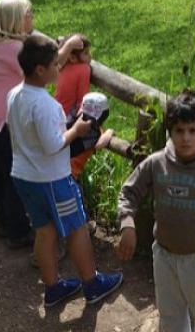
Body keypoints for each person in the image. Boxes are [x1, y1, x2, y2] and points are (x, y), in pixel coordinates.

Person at [7, 35, 124, 306]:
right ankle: (92, 284)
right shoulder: (45, 105)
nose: (58, 68)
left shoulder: (15, 94)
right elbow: (54, 145)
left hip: (24, 175)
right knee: (76, 228)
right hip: (51, 178)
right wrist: (77, 130)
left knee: (45, 232)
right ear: (40, 70)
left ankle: (53, 288)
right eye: (54, 65)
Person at [117, 90, 195, 332]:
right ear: (169, 132)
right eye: (179, 131)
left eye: (192, 131)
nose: (185, 138)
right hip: (164, 256)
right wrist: (127, 224)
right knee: (170, 315)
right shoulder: (156, 162)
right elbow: (128, 192)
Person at [0, 0, 84, 247]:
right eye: (27, 13)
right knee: (12, 175)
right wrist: (69, 46)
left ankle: (4, 222)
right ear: (14, 21)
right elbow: (46, 65)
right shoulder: (13, 48)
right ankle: (18, 231)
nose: (32, 17)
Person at [54, 34, 114, 180]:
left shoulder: (62, 67)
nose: (90, 56)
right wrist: (98, 128)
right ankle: (106, 135)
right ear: (73, 58)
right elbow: (83, 101)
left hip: (57, 113)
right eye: (86, 53)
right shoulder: (83, 69)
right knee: (94, 134)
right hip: (71, 116)